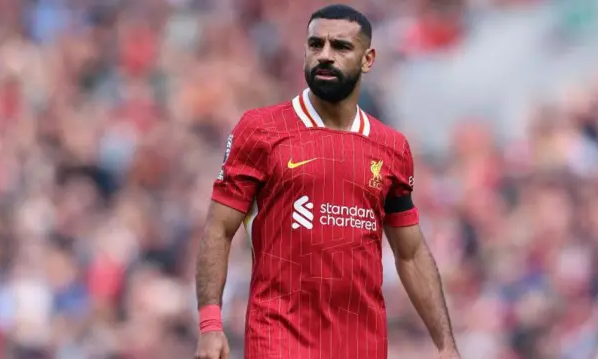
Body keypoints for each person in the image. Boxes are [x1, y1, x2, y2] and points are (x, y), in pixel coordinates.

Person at [194, 4, 460, 359]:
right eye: (315, 44)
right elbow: (218, 228)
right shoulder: (261, 130)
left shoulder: (391, 147)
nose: (325, 55)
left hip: (361, 346)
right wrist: (211, 324)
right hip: (279, 340)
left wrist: (446, 344)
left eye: (341, 47)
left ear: (368, 59)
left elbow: (410, 252)